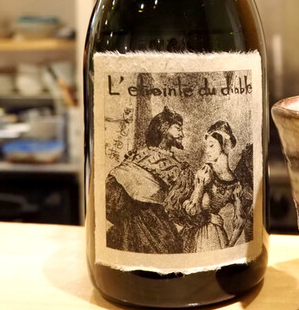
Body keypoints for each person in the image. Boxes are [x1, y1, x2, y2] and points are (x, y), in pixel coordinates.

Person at [105, 107, 193, 254]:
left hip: (160, 228)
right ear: (163, 129)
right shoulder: (136, 156)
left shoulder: (180, 167)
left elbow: (178, 209)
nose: (182, 134)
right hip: (132, 225)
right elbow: (112, 192)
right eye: (178, 129)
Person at [182, 121, 249, 252]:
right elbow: (191, 211)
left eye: (211, 145)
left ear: (225, 145)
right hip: (199, 233)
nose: (207, 151)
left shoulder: (235, 183)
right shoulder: (207, 171)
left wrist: (229, 246)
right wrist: (200, 187)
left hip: (213, 237)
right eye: (207, 146)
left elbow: (240, 221)